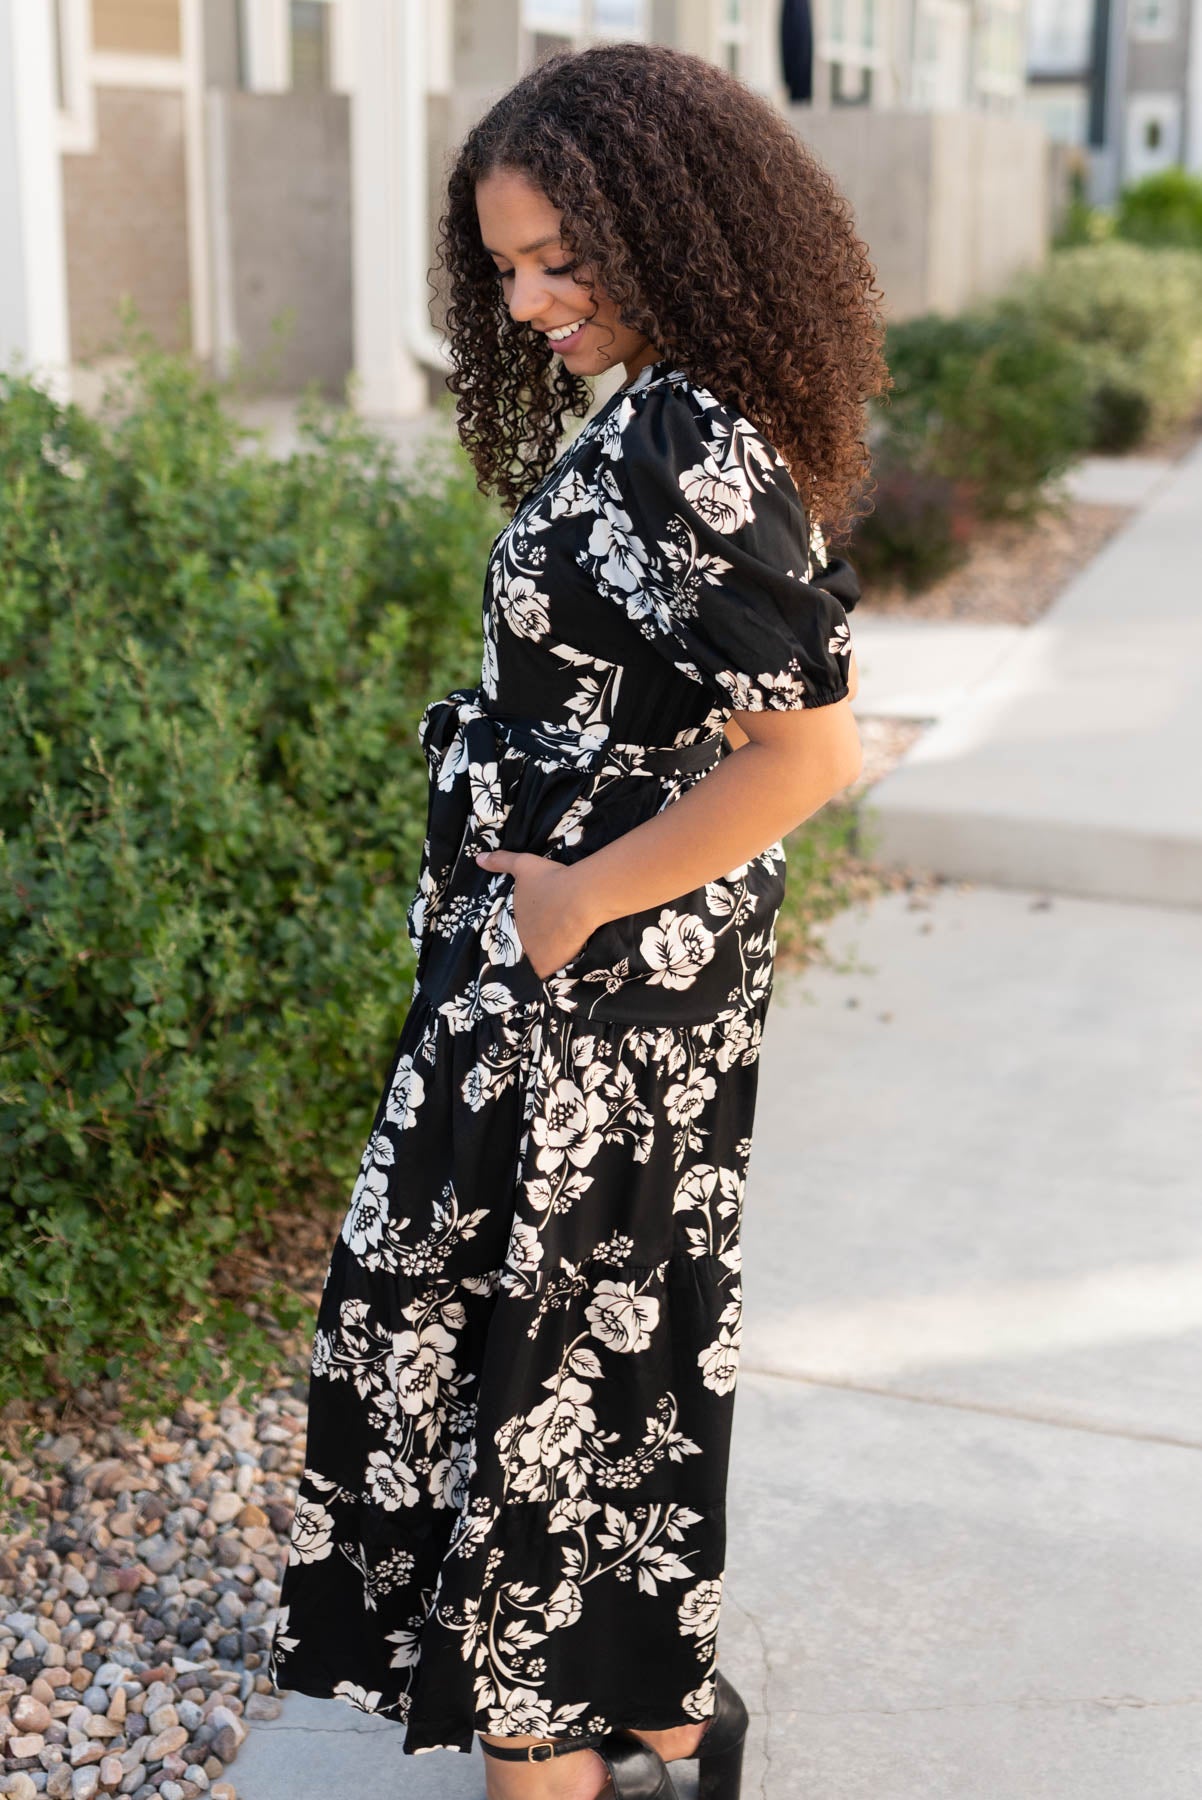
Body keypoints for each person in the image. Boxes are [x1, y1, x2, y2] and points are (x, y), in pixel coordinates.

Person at [268, 39, 888, 1800]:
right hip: (592, 968)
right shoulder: (684, 404)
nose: (530, 297)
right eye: (507, 265)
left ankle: (555, 1764)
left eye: (562, 258)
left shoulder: (684, 433)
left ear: (677, 230)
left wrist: (573, 898)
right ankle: (666, 1725)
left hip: (593, 983)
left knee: (534, 1353)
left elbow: (809, 751)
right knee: (598, 1339)